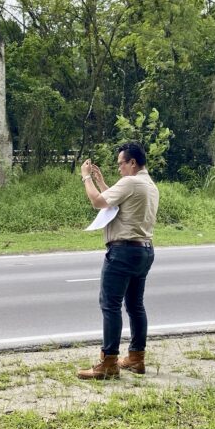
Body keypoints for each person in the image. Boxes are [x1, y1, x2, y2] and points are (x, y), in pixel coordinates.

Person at [76, 142, 160, 379]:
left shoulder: (131, 182)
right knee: (135, 305)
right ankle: (136, 358)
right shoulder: (149, 184)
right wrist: (102, 183)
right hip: (144, 250)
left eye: (121, 164)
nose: (119, 169)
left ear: (132, 162)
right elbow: (118, 201)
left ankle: (109, 363)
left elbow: (99, 202)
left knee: (110, 305)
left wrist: (86, 178)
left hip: (122, 252)